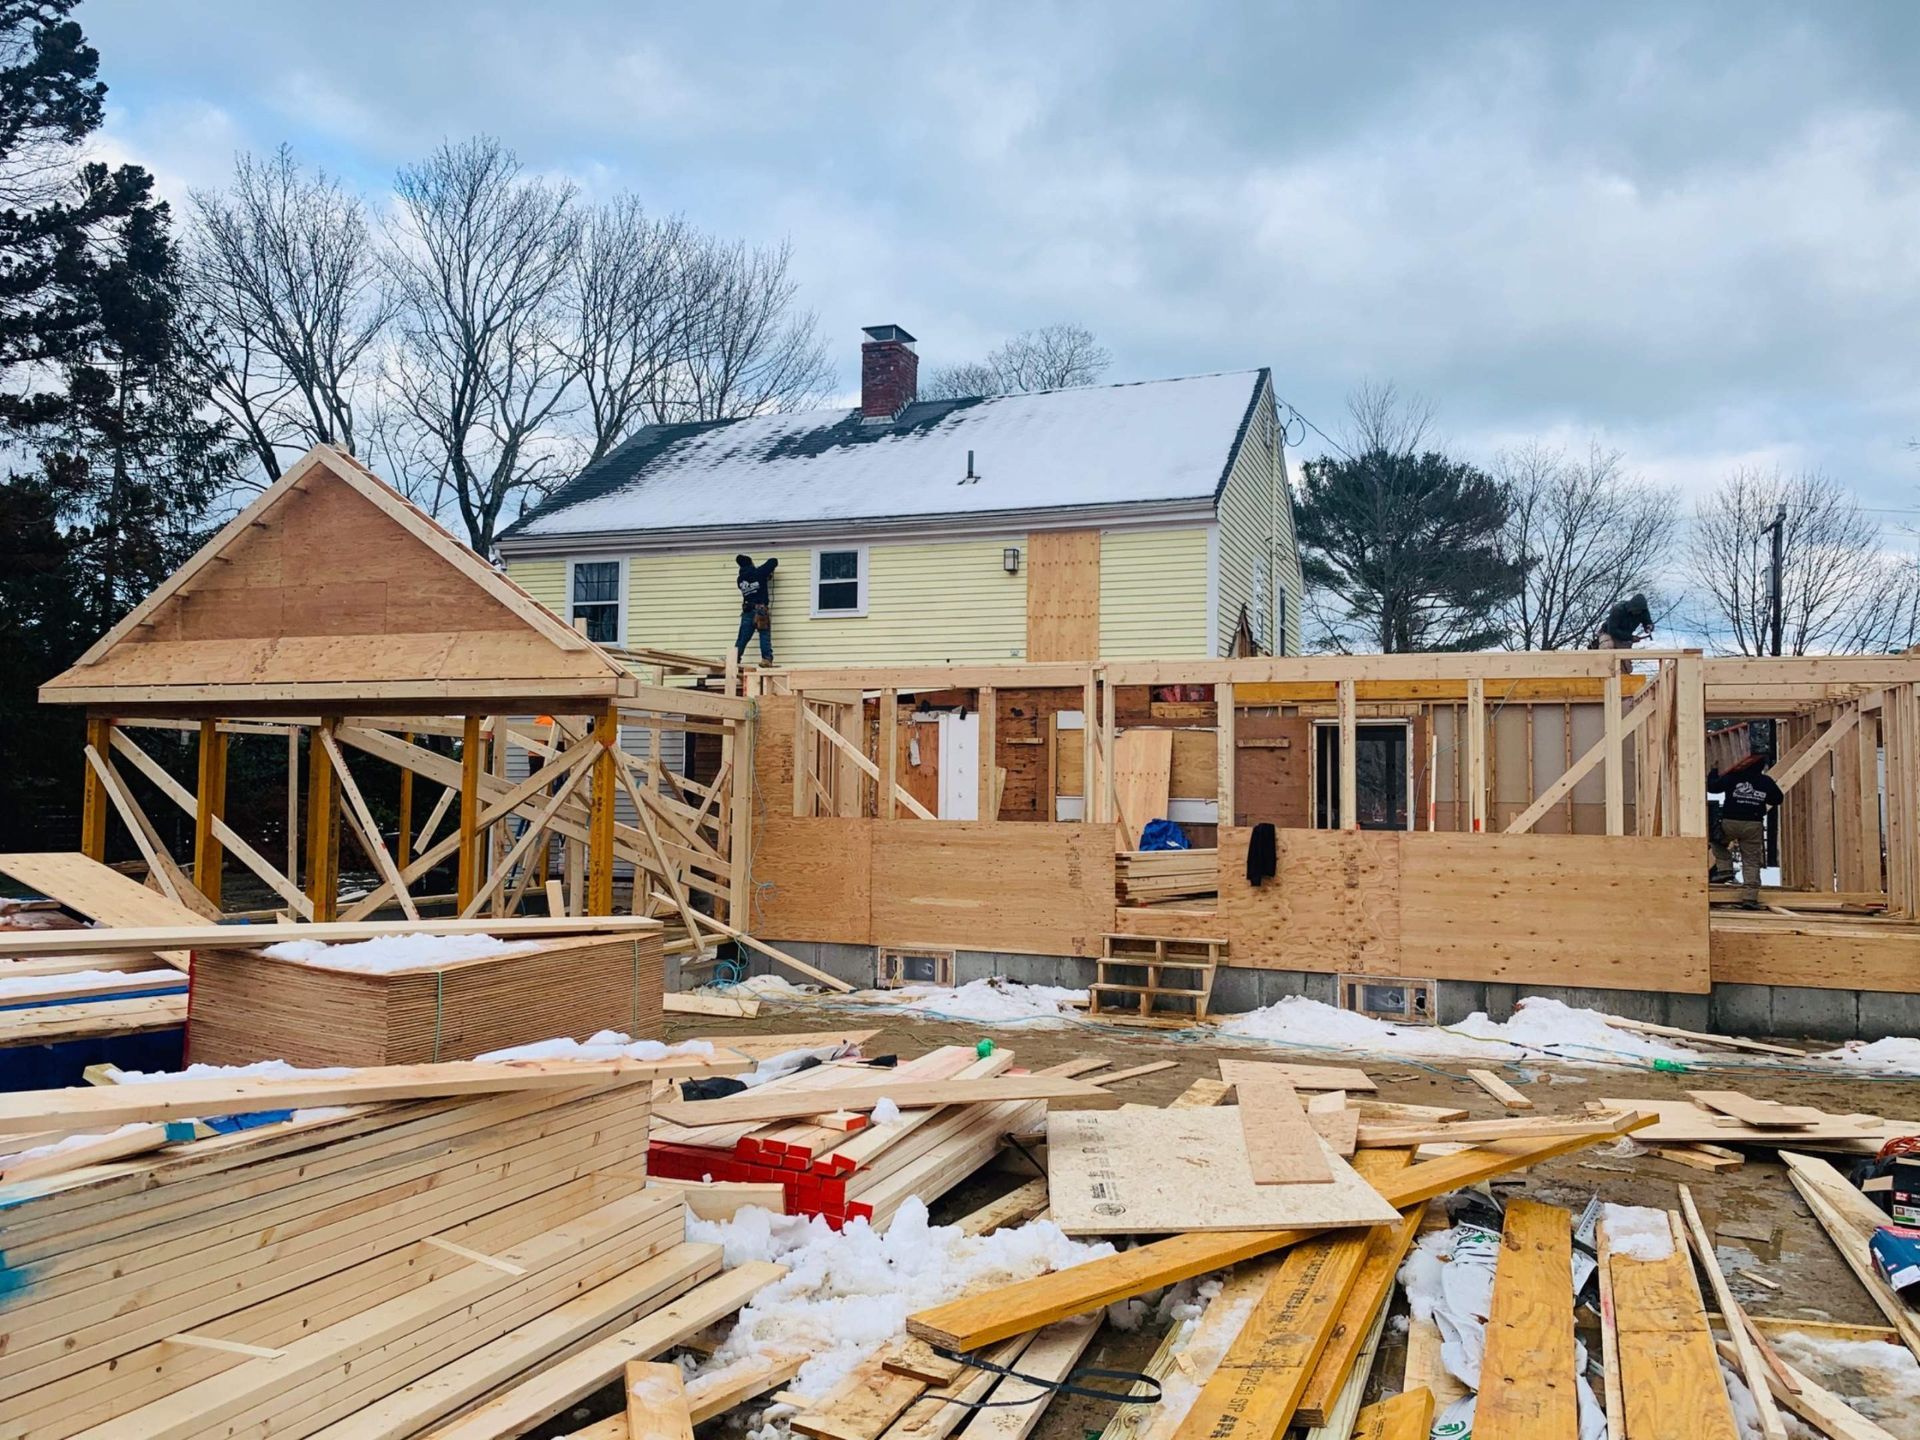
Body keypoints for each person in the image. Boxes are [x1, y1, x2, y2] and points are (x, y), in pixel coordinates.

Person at [1707, 750, 1783, 909]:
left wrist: (1714, 771)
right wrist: (1760, 794)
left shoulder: (1734, 777)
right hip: (1752, 825)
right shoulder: (1765, 781)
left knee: (1717, 842)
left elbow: (1713, 788)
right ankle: (1750, 897)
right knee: (1751, 861)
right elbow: (1777, 799)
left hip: (1730, 822)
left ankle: (1725, 869)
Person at [733, 555, 777, 665]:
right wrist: (765, 573)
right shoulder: (759, 573)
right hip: (760, 610)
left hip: (747, 611)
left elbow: (753, 585)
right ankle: (766, 659)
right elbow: (773, 561)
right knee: (764, 635)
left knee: (742, 638)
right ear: (751, 563)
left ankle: (734, 659)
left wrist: (764, 577)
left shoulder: (740, 580)